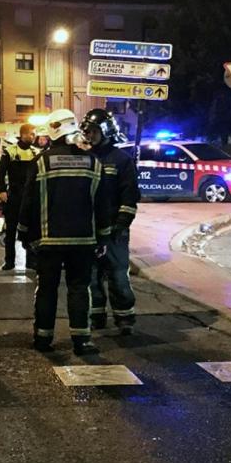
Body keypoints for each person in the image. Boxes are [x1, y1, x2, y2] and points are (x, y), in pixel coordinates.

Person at [18, 109, 112, 355]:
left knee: (47, 288)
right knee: (80, 288)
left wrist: (24, 233)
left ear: (51, 131)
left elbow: (29, 201)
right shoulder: (93, 162)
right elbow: (103, 204)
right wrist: (103, 237)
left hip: (49, 240)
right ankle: (82, 340)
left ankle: (42, 338)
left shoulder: (42, 162)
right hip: (84, 240)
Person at [81, 109, 141, 334]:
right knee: (92, 276)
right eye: (87, 131)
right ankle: (96, 315)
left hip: (115, 230)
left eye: (94, 131)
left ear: (105, 131)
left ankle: (125, 318)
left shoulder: (121, 160)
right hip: (89, 228)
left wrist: (122, 222)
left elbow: (129, 195)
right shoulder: (84, 158)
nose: (90, 135)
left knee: (117, 274)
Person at [0, 123, 40, 270]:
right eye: (31, 134)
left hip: (30, 196)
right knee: (11, 231)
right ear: (23, 135)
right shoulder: (10, 151)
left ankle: (31, 260)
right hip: (14, 195)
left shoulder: (36, 153)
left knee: (31, 228)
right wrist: (2, 191)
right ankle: (9, 261)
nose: (34, 137)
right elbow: (0, 173)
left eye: (34, 134)